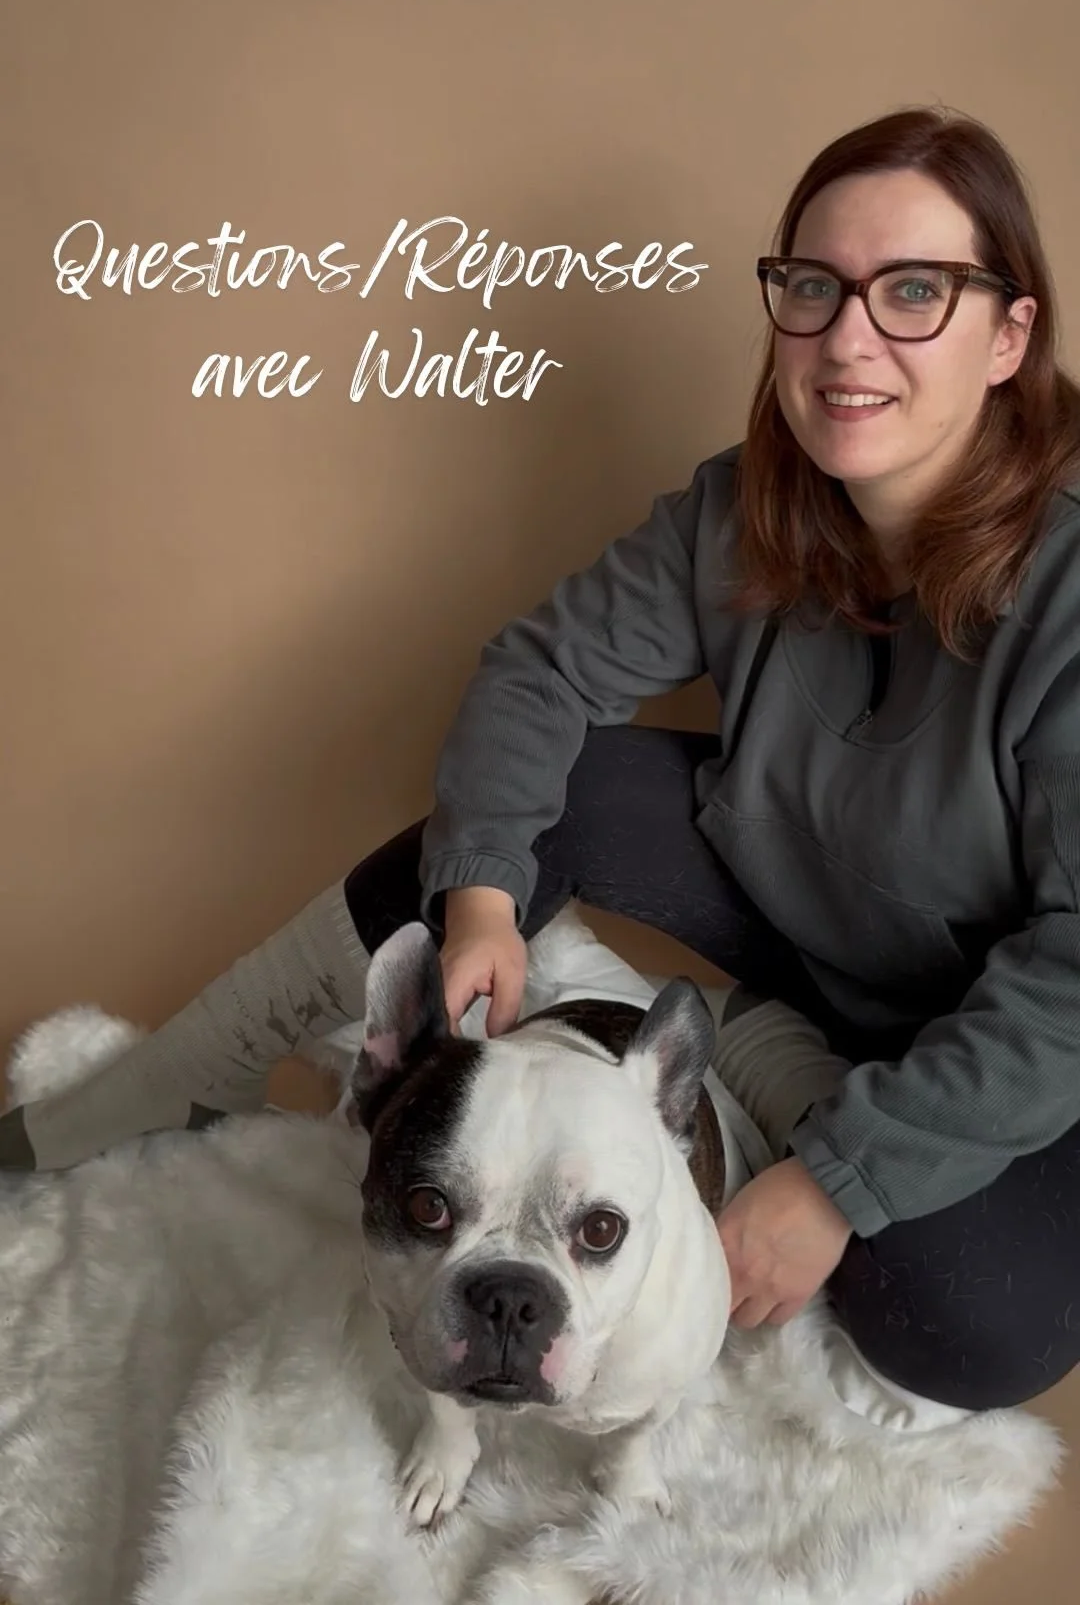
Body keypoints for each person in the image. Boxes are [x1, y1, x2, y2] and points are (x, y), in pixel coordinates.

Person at [4, 105, 1080, 1416]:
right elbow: (540, 674)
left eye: (914, 291)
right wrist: (477, 903)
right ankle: (189, 1075)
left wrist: (835, 1184)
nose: (848, 338)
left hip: (1024, 1043)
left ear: (1010, 335)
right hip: (817, 912)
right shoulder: (746, 507)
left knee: (968, 1334)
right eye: (813, 286)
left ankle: (751, 1069)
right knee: (527, 812)